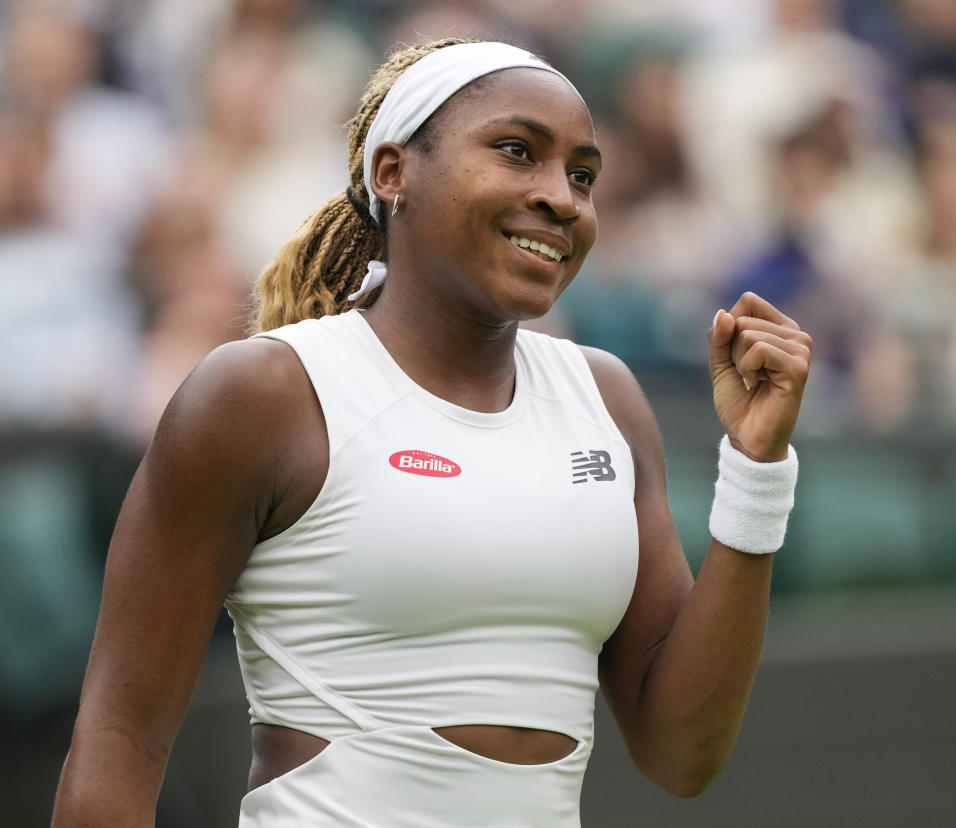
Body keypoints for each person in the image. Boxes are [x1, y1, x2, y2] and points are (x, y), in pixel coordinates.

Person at [51, 38, 812, 826]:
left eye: (582, 175)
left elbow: (681, 753)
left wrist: (757, 470)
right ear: (393, 172)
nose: (562, 197)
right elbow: (119, 740)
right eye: (517, 152)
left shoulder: (608, 399)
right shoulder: (260, 395)